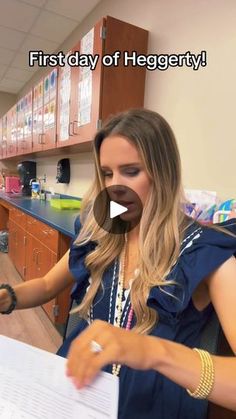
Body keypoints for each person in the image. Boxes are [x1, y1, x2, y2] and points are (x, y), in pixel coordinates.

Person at [0, 109, 236, 418]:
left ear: (163, 173)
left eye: (131, 171)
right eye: (108, 174)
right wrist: (8, 296)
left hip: (149, 405)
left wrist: (151, 351)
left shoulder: (203, 251)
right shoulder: (101, 233)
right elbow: (47, 285)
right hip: (78, 392)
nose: (115, 187)